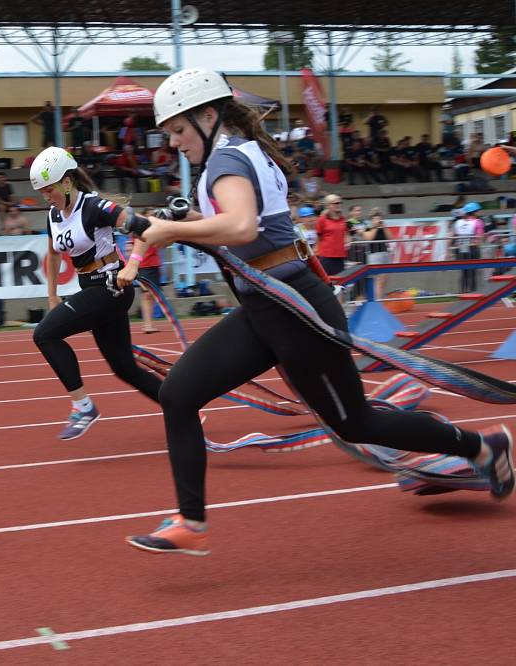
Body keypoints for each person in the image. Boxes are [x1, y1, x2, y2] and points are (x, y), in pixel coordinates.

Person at [123, 68, 513, 556]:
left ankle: (481, 447)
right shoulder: (239, 154)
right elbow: (248, 225)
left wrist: (171, 231)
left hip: (293, 307)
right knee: (179, 394)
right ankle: (190, 520)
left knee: (357, 423)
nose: (174, 142)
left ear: (207, 115)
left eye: (179, 130)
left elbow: (242, 227)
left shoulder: (225, 159)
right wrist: (178, 221)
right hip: (267, 307)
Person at [29, 147, 162, 440]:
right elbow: (53, 255)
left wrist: (134, 266)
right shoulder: (53, 215)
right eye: (41, 192)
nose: (46, 197)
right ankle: (180, 403)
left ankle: (83, 406)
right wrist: (52, 296)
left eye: (48, 189)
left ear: (67, 182)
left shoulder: (94, 207)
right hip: (90, 287)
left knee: (44, 335)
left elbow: (145, 228)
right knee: (124, 368)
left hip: (111, 287)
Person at [453, 202, 485, 293]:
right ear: (474, 212)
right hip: (472, 248)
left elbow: (453, 236)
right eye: (478, 211)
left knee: (464, 272)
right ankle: (473, 293)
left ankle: (463, 292)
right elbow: (479, 238)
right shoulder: (478, 222)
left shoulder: (458, 222)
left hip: (460, 249)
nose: (480, 212)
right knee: (473, 272)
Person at [316, 194, 350, 275]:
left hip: (340, 256)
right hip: (326, 256)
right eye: (336, 203)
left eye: (340, 203)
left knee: (340, 282)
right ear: (328, 205)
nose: (339, 205)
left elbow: (346, 233)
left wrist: (348, 240)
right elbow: (318, 236)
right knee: (329, 281)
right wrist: (318, 250)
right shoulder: (322, 219)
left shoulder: (343, 219)